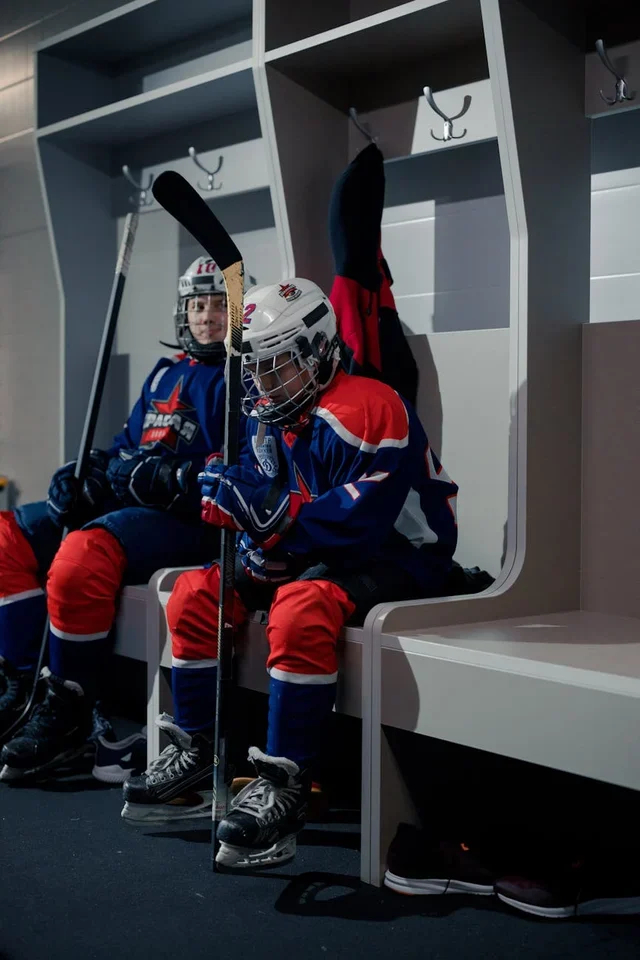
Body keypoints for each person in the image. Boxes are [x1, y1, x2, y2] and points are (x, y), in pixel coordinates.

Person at [121, 277, 459, 871]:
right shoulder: (266, 414)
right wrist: (245, 521)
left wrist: (265, 519)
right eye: (256, 367)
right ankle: (198, 744)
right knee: (197, 590)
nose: (262, 382)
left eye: (278, 365)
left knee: (300, 607)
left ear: (320, 350)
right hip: (312, 550)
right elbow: (262, 503)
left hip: (401, 556)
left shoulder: (369, 406)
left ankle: (287, 779)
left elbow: (356, 529)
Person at [0, 257, 254, 782]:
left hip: (193, 523)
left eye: (217, 306)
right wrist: (87, 474)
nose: (206, 317)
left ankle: (70, 711)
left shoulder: (244, 376)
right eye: (197, 305)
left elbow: (250, 473)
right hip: (134, 510)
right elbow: (125, 449)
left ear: (236, 313)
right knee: (9, 537)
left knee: (80, 558)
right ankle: (24, 684)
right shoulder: (165, 372)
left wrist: (174, 479)